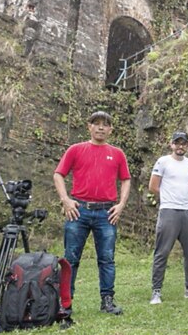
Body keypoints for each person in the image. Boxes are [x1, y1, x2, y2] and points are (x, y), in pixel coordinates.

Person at [53, 110, 131, 315]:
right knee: (70, 258)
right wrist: (66, 200)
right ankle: (65, 303)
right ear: (89, 126)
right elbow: (58, 174)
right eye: (96, 123)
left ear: (111, 129)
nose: (101, 127)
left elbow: (126, 179)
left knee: (107, 258)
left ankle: (107, 301)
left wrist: (121, 204)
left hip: (107, 212)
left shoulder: (117, 154)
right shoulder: (76, 150)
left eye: (105, 124)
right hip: (78, 211)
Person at [147, 131, 188, 304]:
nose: (180, 146)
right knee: (162, 251)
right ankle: (156, 291)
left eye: (183, 143)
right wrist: (169, 195)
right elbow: (153, 186)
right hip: (169, 210)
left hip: (187, 211)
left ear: (187, 146)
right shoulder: (163, 161)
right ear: (171, 144)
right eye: (177, 143)